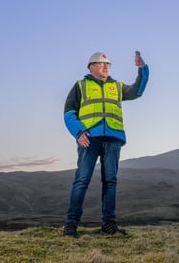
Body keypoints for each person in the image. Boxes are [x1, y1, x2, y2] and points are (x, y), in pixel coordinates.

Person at [62, 51, 149, 237]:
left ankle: (108, 224)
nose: (105, 67)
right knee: (82, 180)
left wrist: (143, 69)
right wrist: (78, 132)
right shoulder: (80, 86)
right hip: (89, 139)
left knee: (110, 181)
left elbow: (137, 91)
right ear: (91, 66)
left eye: (108, 64)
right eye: (101, 63)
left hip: (113, 138)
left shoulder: (116, 86)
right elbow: (69, 113)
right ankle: (71, 224)